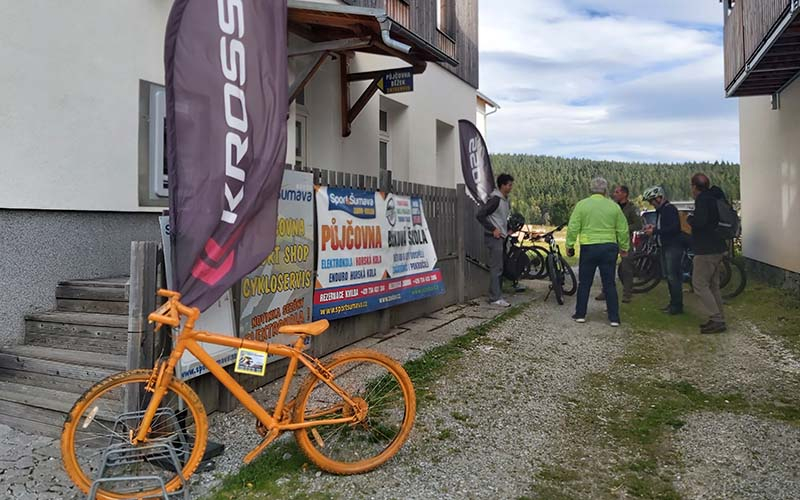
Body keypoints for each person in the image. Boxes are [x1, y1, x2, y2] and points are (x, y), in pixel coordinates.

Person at [566, 177, 630, 327]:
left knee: (584, 282)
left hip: (589, 246)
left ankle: (580, 314)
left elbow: (573, 226)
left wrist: (569, 245)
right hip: (609, 247)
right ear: (605, 190)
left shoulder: (582, 205)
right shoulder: (614, 206)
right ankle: (614, 318)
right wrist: (624, 247)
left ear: (591, 189)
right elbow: (622, 228)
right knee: (609, 283)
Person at [689, 173, 728, 334]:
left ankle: (717, 319)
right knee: (713, 286)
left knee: (699, 284)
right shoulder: (714, 197)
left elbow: (701, 222)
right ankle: (718, 318)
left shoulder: (703, 200)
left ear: (694, 187)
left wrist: (690, 219)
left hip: (706, 249)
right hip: (718, 247)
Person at [595, 185, 643, 303]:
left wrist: (623, 228)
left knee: (627, 268)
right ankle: (605, 291)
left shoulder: (632, 208)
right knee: (607, 266)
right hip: (610, 240)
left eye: (617, 192)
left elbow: (638, 225)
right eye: (614, 192)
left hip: (625, 241)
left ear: (624, 194)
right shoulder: (612, 207)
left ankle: (627, 294)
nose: (614, 194)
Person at [643, 186, 684, 315]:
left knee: (673, 277)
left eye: (652, 201)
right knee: (669, 277)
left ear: (659, 198)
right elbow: (665, 226)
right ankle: (673, 303)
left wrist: (655, 231)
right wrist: (654, 227)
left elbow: (674, 229)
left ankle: (677, 306)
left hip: (673, 246)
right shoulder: (662, 210)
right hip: (666, 246)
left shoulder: (669, 209)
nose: (651, 204)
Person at [476, 174, 514, 307]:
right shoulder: (495, 200)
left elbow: (501, 218)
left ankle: (497, 294)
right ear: (502, 185)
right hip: (494, 238)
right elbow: (480, 215)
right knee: (496, 268)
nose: (511, 187)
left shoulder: (504, 200)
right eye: (509, 185)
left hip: (502, 237)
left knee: (500, 267)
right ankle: (494, 298)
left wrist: (507, 229)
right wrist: (493, 229)